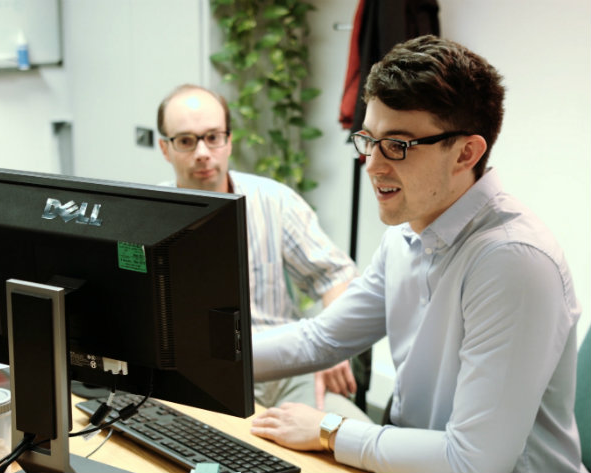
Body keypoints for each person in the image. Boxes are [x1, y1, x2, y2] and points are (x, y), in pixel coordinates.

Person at [249, 35, 586, 473]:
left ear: (466, 153)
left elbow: (474, 462)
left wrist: (329, 431)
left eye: (398, 145)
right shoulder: (408, 232)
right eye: (369, 140)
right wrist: (193, 355)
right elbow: (323, 339)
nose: (372, 164)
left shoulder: (513, 261)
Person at [156, 84, 367, 420]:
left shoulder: (273, 200)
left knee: (351, 433)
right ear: (165, 149)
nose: (202, 152)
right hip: (203, 377)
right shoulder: (150, 218)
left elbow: (336, 276)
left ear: (229, 140)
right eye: (185, 141)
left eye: (213, 137)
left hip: (286, 370)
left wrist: (332, 343)